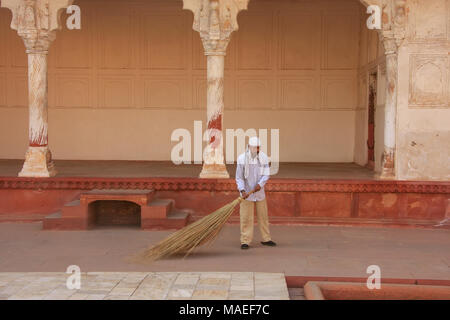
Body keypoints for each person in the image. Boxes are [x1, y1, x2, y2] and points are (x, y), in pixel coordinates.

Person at [235, 136, 276, 250]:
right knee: (246, 218)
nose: (254, 150)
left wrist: (260, 184)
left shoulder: (264, 158)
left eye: (257, 148)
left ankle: (266, 239)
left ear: (259, 148)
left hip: (260, 193)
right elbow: (239, 177)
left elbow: (266, 174)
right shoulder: (242, 159)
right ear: (248, 147)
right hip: (246, 194)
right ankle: (245, 241)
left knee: (263, 216)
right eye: (252, 148)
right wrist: (242, 190)